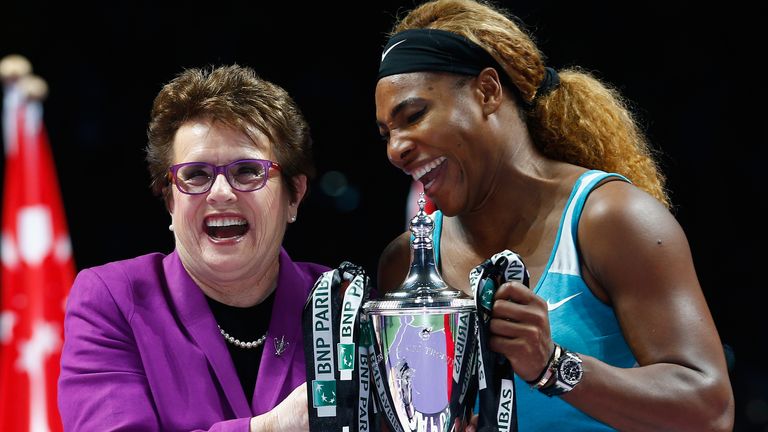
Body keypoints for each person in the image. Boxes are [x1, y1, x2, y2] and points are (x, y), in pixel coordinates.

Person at [374, 0, 735, 430]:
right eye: (386, 133)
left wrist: (552, 365)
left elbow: (710, 411)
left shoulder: (610, 219)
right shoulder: (403, 264)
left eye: (413, 116)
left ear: (487, 92)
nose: (396, 149)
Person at [58, 64, 324, 431]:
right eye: (195, 175)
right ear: (170, 201)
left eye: (247, 171)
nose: (220, 193)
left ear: (293, 195)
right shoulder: (111, 299)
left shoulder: (342, 303)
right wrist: (269, 428)